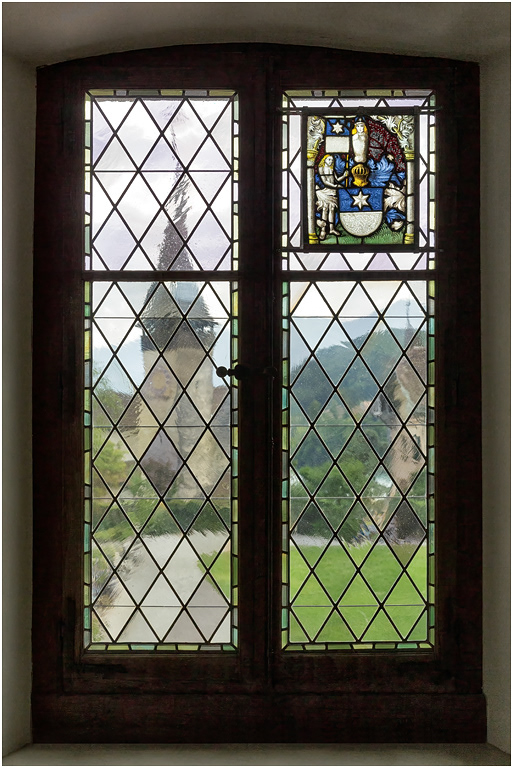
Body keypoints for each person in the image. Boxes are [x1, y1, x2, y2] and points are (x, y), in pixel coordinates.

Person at [315, 154, 347, 240]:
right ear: (324, 160)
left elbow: (337, 179)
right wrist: (336, 186)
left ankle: (332, 229)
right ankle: (323, 230)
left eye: (332, 160)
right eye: (329, 159)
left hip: (333, 192)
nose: (331, 162)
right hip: (326, 191)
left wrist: (344, 176)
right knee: (325, 209)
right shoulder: (321, 168)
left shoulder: (332, 169)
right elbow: (325, 182)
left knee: (332, 209)